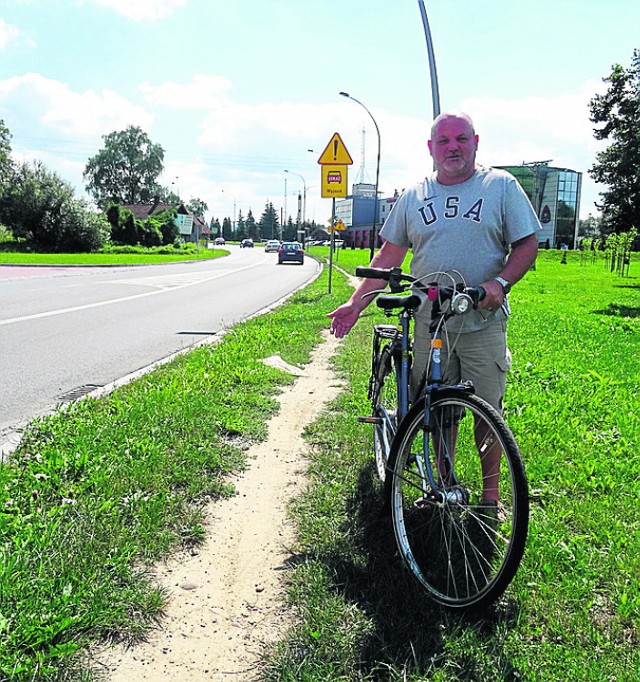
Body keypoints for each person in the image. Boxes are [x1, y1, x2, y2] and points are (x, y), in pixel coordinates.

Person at [327, 111, 541, 504]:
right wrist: (356, 303)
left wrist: (501, 282)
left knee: (487, 414)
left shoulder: (500, 187)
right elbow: (388, 256)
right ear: (430, 149)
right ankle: (442, 486)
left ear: (476, 142)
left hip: (481, 321)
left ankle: (489, 499)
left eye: (461, 139)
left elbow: (527, 244)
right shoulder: (414, 196)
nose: (453, 147)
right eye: (443, 141)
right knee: (437, 412)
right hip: (431, 323)